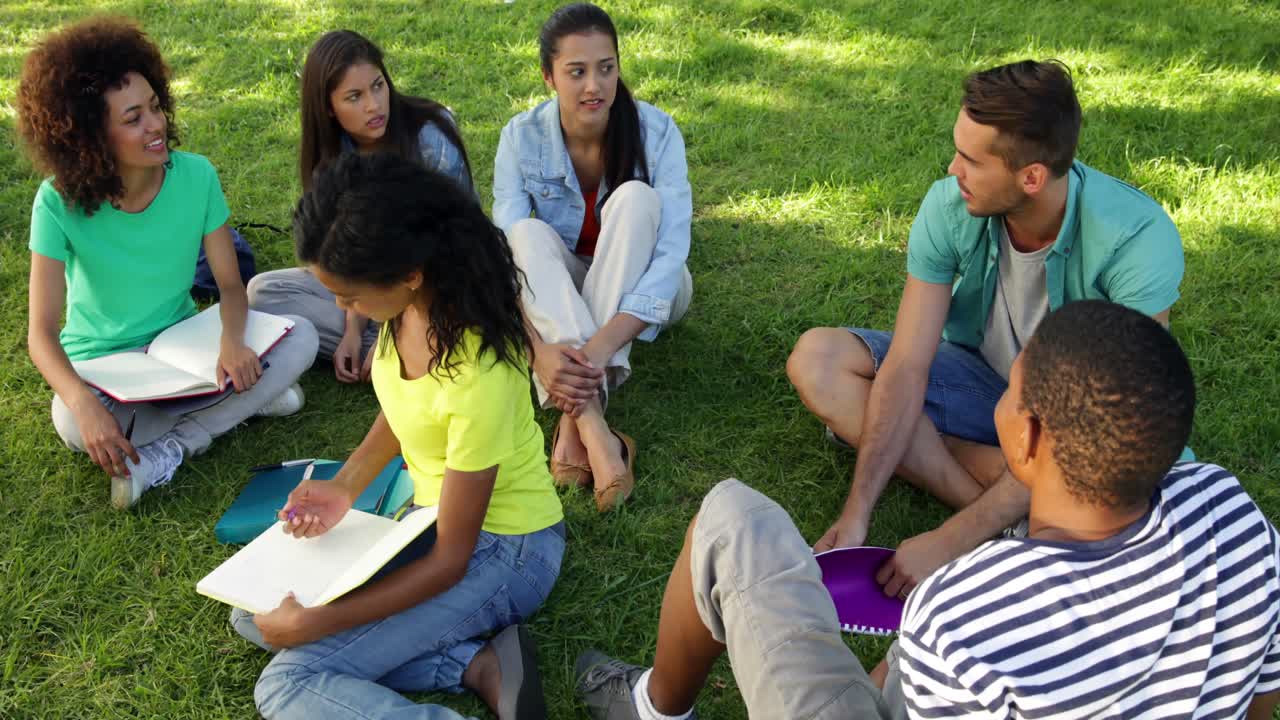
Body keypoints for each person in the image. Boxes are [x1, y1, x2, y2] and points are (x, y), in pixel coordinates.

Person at [572, 301, 1280, 719]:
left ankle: (652, 708)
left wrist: (909, 662)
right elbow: (1258, 699)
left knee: (734, 519)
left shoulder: (966, 612)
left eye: (1012, 389)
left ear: (1026, 437)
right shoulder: (1233, 516)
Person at [785, 59, 1189, 595]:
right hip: (980, 384)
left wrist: (949, 540)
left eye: (972, 161)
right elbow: (906, 366)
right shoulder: (951, 207)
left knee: (1122, 480)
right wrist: (857, 512)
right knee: (818, 359)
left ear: (1031, 177)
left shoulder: (1137, 240)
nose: (954, 169)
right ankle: (1011, 503)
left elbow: (1108, 424)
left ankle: (969, 474)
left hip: (1076, 418)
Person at [234, 153, 565, 720]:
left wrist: (317, 624)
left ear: (409, 275)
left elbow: (451, 562)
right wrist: (345, 486)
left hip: (506, 551)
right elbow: (407, 405)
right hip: (428, 522)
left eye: (351, 295)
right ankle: (475, 666)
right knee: (253, 611)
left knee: (288, 682)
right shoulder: (410, 309)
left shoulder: (478, 373)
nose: (341, 309)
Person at [18, 17, 318, 510]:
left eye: (154, 107)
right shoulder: (57, 202)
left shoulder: (196, 175)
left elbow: (229, 285)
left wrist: (230, 343)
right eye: (132, 119)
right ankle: (244, 404)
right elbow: (41, 335)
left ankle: (172, 447)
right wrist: (84, 404)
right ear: (92, 137)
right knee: (71, 421)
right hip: (104, 364)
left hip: (184, 347)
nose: (155, 125)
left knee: (301, 336)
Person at [493, 2, 694, 512]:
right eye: (576, 72)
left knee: (636, 198)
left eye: (606, 68)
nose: (594, 87)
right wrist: (537, 350)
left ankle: (573, 415)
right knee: (525, 234)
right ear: (548, 77)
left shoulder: (658, 131)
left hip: (651, 290)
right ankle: (597, 433)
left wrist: (596, 350)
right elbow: (503, 265)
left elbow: (670, 257)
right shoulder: (520, 137)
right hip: (557, 286)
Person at [248, 29, 475, 384]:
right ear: (328, 107)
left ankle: (405, 347)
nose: (374, 104)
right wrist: (352, 331)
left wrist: (391, 332)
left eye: (378, 86)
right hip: (371, 290)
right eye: (354, 96)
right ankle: (399, 352)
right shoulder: (332, 155)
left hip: (437, 288)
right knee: (264, 292)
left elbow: (453, 249)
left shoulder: (430, 136)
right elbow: (345, 261)